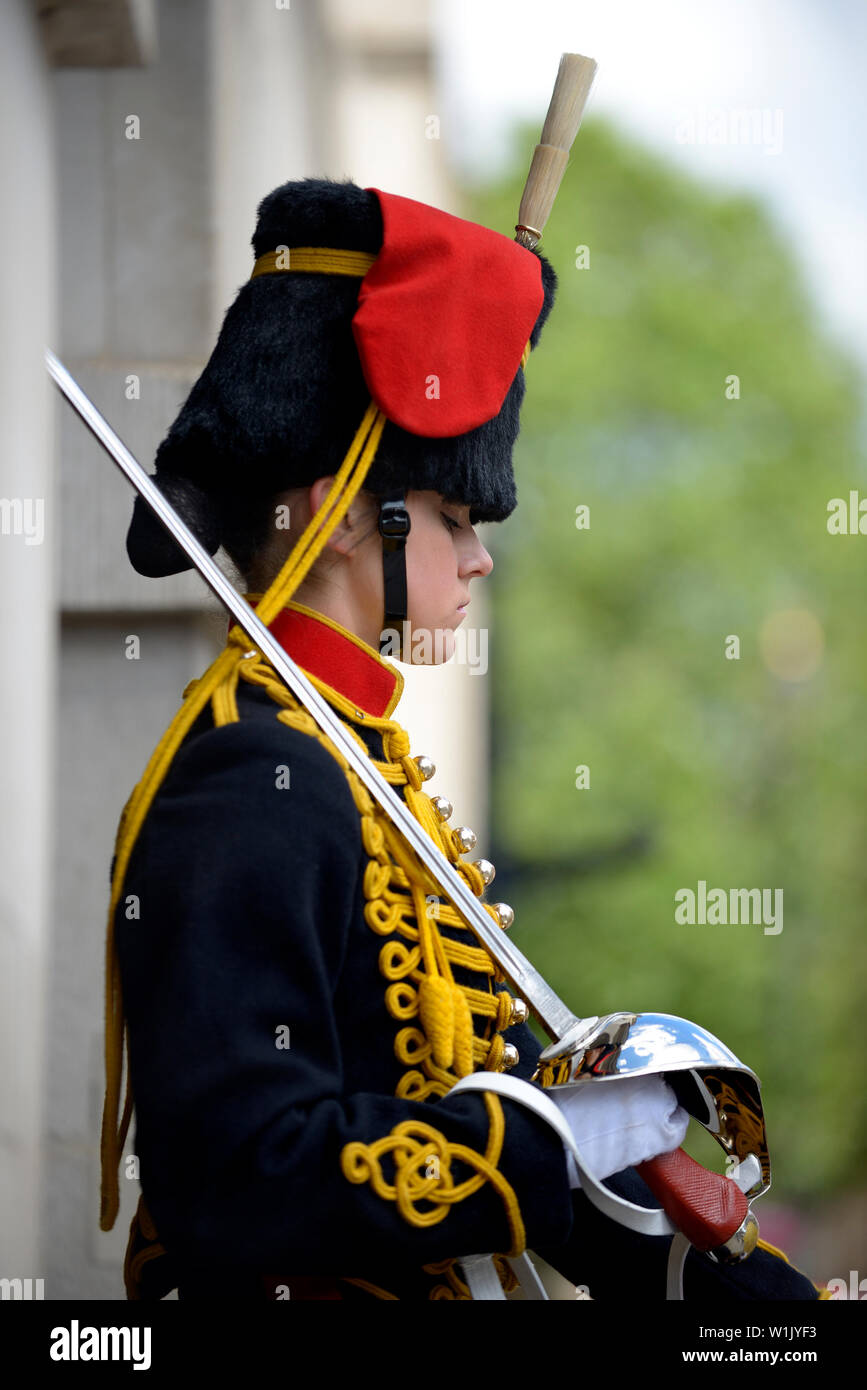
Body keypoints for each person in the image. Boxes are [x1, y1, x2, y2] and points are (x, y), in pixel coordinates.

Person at [103, 177, 823, 1301]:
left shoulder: (356, 757)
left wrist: (740, 1292)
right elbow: (239, 1176)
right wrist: (541, 1138)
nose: (480, 558)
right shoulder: (252, 778)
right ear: (348, 512)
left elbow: (464, 1119)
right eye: (455, 516)